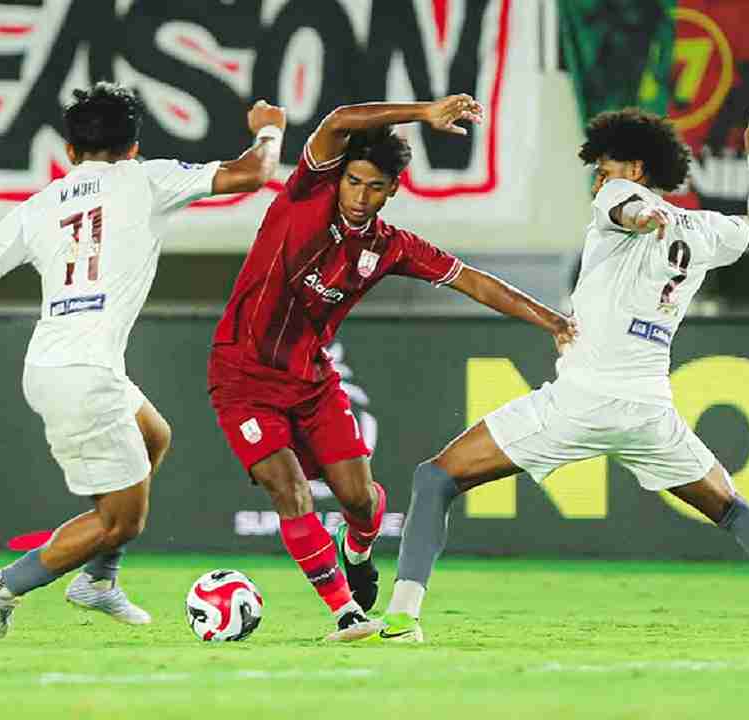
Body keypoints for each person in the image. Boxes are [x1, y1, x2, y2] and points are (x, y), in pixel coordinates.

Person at [376, 104, 749, 643]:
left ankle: (402, 618)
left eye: (605, 168)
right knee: (734, 510)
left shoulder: (617, 195)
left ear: (637, 170)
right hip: (649, 411)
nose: (598, 180)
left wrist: (640, 216)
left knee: (435, 478)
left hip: (580, 401)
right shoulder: (706, 228)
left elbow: (627, 209)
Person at [0, 82, 286, 637]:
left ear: (69, 151)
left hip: (64, 365)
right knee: (120, 519)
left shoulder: (41, 206)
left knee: (154, 435)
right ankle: (1, 586)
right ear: (134, 146)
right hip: (81, 376)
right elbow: (253, 173)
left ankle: (98, 581)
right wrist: (270, 126)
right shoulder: (147, 179)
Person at [207, 96, 576, 641]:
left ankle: (356, 548)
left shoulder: (390, 247)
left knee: (360, 500)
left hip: (311, 381)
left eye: (375, 187)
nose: (360, 196)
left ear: (392, 191)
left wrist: (551, 320)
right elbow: (337, 122)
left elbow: (472, 280)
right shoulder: (305, 195)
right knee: (289, 490)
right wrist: (426, 113)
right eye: (354, 182)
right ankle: (345, 612)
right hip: (242, 378)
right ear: (338, 178)